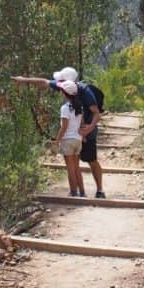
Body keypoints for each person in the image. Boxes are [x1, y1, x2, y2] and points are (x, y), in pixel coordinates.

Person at [11, 66, 105, 198]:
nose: (58, 85)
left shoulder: (85, 91)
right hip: (79, 134)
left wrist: (89, 128)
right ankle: (80, 192)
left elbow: (96, 113)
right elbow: (44, 82)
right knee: (78, 164)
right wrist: (24, 80)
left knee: (91, 160)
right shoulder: (66, 87)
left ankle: (96, 190)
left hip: (86, 131)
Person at [53, 80, 85, 196]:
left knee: (70, 168)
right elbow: (81, 124)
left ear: (65, 93)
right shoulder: (79, 107)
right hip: (77, 140)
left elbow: (64, 127)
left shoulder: (65, 108)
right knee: (77, 168)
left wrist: (57, 141)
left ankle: (73, 192)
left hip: (68, 140)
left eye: (61, 90)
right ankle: (82, 192)